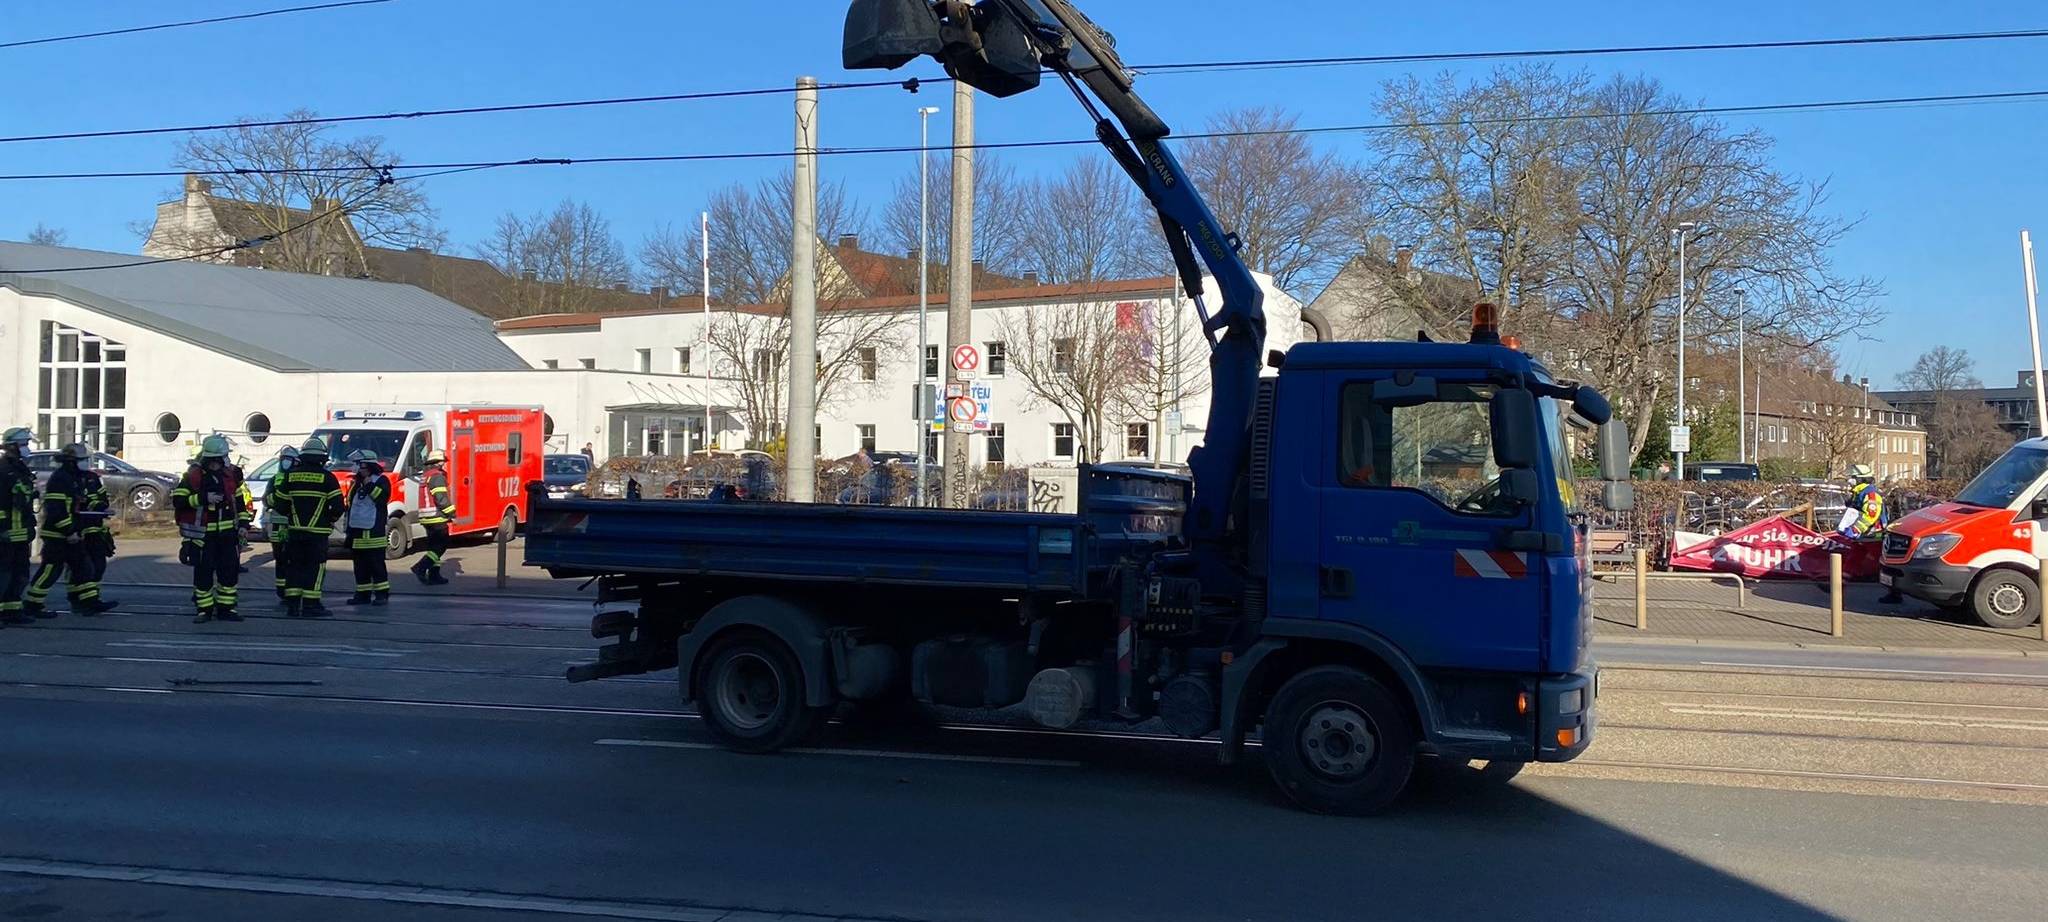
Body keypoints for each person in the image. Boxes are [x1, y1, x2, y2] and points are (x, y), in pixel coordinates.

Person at [24, 443, 111, 617]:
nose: (85, 463)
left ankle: (89, 602)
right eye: (82, 460)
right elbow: (57, 509)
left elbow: (79, 504)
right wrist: (69, 531)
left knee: (83, 567)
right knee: (51, 569)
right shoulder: (60, 479)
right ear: (71, 461)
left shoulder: (75, 477)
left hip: (73, 533)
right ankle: (32, 603)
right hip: (58, 535)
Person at [171, 435, 247, 623]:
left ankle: (226, 609)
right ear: (209, 459)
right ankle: (204, 609)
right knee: (203, 574)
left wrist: (244, 526)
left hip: (228, 535)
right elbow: (178, 500)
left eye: (220, 460)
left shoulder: (231, 477)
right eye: (216, 460)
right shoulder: (193, 477)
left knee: (228, 573)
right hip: (203, 536)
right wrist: (204, 499)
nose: (218, 463)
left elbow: (240, 504)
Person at [273, 437, 343, 617]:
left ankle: (293, 606)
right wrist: (328, 520)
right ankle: (311, 605)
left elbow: (279, 503)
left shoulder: (290, 476)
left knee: (294, 567)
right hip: (317, 533)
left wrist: (291, 516)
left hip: (295, 532)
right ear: (321, 458)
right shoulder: (328, 478)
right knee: (315, 568)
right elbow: (338, 507)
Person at [344, 449, 393, 606]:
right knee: (360, 567)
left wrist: (369, 485)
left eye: (361, 466)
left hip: (374, 534)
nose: (358, 469)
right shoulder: (356, 484)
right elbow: (351, 506)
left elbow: (381, 498)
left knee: (376, 566)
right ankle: (362, 594)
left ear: (370, 466)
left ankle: (381, 594)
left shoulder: (381, 480)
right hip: (357, 533)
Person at [1, 428, 37, 625]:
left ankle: (12, 611)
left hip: (21, 533)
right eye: (23, 444)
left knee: (20, 574)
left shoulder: (20, 468)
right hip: (6, 534)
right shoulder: (2, 469)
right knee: (3, 576)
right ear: (12, 446)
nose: (27, 448)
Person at [76, 452, 118, 614]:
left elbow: (102, 498)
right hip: (79, 529)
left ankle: (92, 599)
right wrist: (96, 505)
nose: (85, 462)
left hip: (96, 528)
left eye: (86, 459)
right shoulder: (70, 479)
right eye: (82, 459)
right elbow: (78, 502)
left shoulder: (93, 478)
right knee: (86, 567)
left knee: (98, 565)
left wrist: (101, 506)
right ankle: (86, 601)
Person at [410, 450, 455, 586]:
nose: (443, 464)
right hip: (437, 517)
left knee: (433, 547)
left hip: (426, 518)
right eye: (442, 461)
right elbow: (441, 499)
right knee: (440, 547)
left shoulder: (426, 476)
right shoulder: (437, 477)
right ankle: (421, 567)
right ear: (438, 462)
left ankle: (434, 575)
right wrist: (452, 513)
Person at [267, 446, 299, 600]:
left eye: (289, 459)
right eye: (283, 459)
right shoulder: (274, 479)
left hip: (293, 525)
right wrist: (279, 500)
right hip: (278, 526)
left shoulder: (297, 479)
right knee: (280, 558)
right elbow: (267, 500)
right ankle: (281, 590)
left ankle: (291, 590)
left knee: (292, 558)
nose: (285, 462)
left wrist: (279, 500)